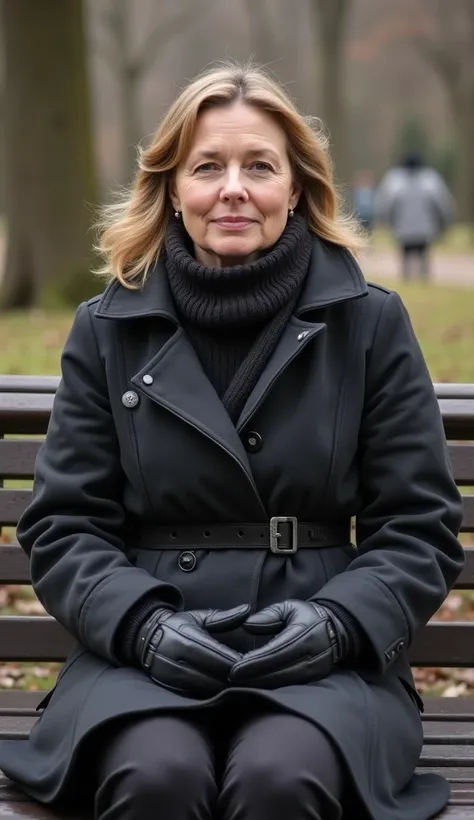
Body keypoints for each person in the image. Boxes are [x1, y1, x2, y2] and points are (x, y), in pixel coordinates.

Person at [0, 62, 464, 820]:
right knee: (156, 779)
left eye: (260, 166)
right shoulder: (107, 327)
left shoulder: (368, 323)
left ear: (299, 188)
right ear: (173, 190)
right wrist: (142, 626)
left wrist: (340, 624)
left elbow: (418, 526)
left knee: (280, 781)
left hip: (320, 655)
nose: (233, 189)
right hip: (142, 656)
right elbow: (64, 524)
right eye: (208, 166)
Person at [375, 153, 455, 281]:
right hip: (425, 227)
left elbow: (385, 204)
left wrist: (387, 221)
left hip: (402, 227)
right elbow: (443, 203)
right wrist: (444, 221)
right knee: (423, 254)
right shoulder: (431, 179)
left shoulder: (394, 179)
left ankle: (406, 277)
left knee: (405, 255)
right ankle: (424, 278)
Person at [351, 169, 375, 237]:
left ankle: (368, 239)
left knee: (369, 229)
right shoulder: (358, 190)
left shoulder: (371, 190)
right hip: (360, 213)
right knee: (360, 229)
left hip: (369, 214)